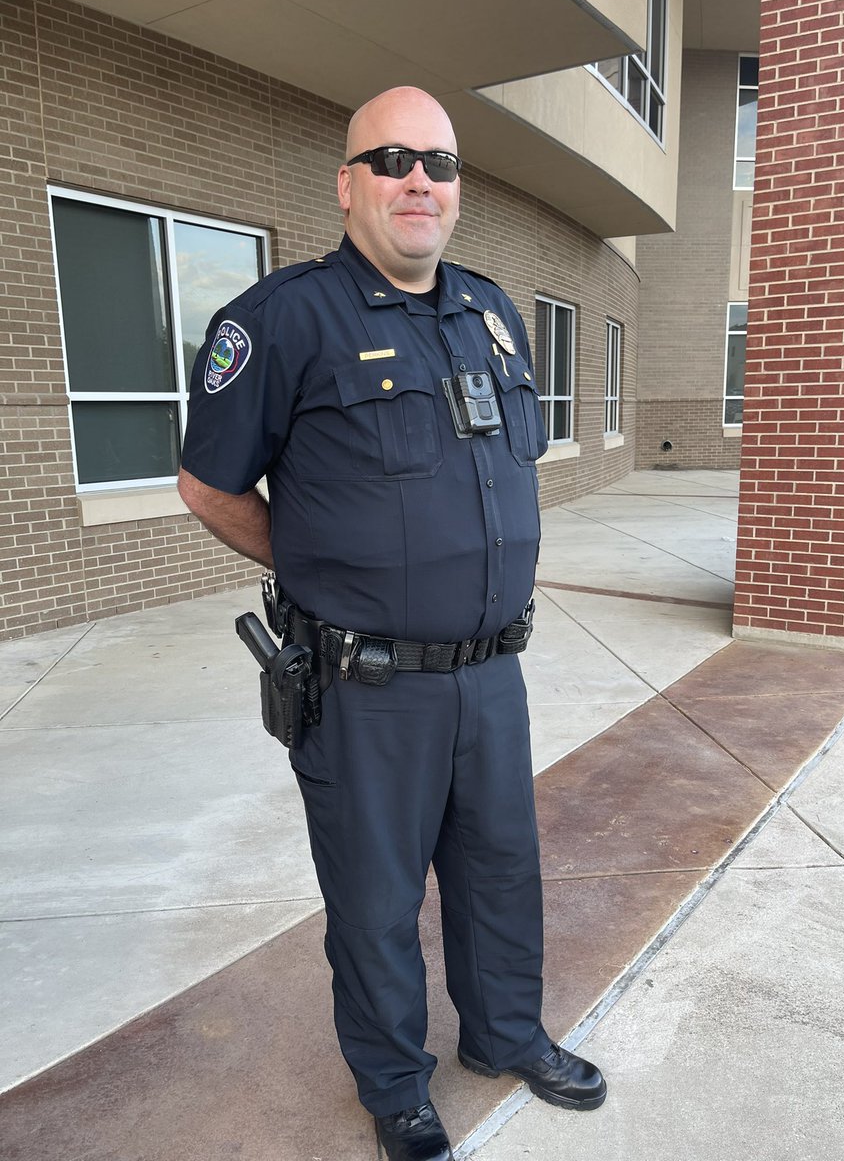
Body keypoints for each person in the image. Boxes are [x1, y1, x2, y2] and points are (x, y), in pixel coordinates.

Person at [178, 86, 605, 1161]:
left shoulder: (492, 311)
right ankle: (396, 1089)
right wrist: (322, 571)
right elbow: (208, 485)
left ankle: (504, 1034)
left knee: (501, 868)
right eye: (395, 159)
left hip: (491, 674)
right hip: (366, 686)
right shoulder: (281, 321)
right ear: (349, 183)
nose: (422, 180)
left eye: (442, 164)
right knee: (374, 902)